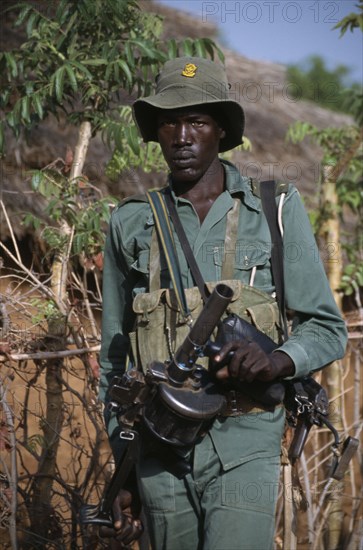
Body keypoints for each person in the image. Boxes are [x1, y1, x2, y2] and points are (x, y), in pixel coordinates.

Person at [99, 56, 347, 550]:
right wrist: (126, 462)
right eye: (169, 121)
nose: (182, 135)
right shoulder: (130, 223)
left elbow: (326, 328)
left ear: (220, 131)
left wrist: (277, 359)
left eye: (197, 121)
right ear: (156, 131)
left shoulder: (273, 209)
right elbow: (114, 359)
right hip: (160, 449)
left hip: (245, 436)